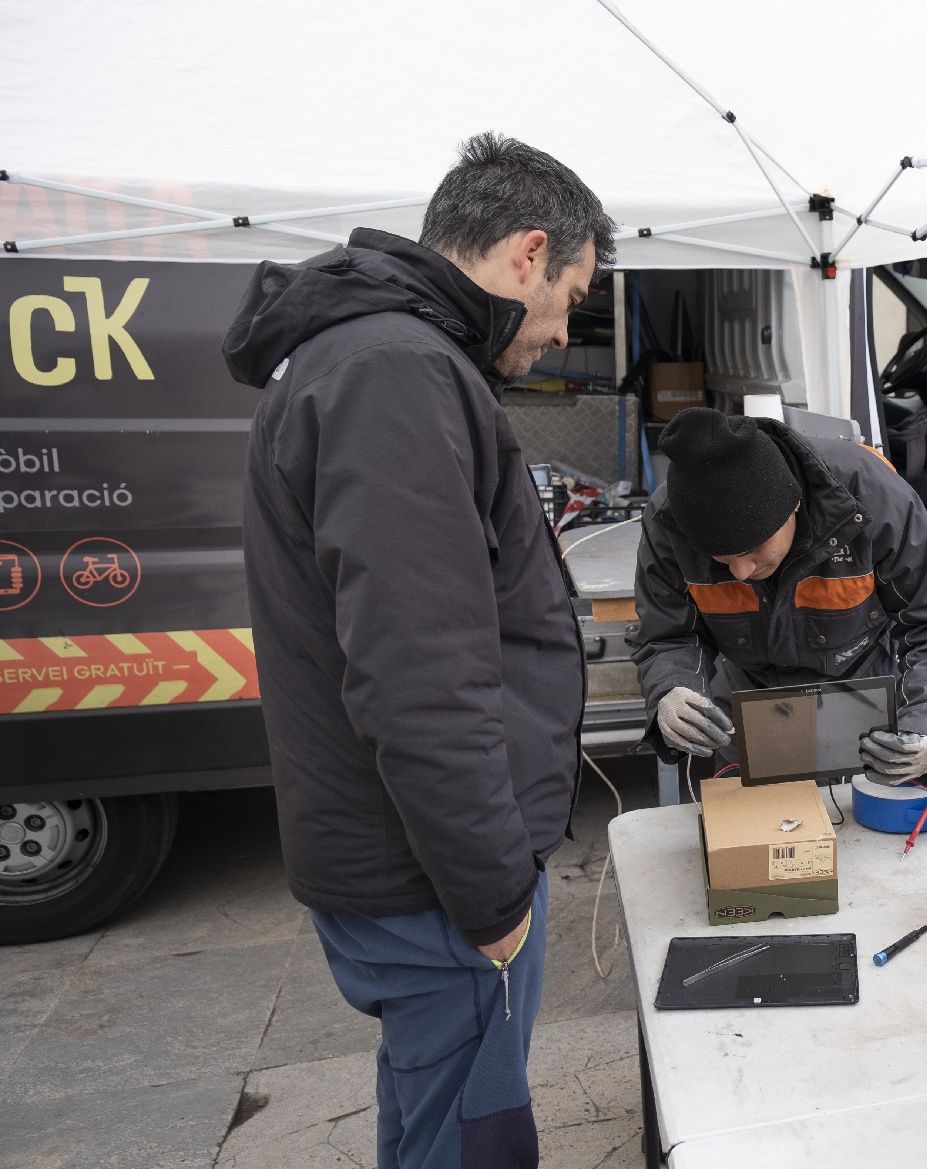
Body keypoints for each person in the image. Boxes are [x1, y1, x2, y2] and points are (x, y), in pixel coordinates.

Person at [224, 132, 615, 1168]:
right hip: (434, 876)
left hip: (414, 859)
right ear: (527, 253)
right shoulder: (396, 371)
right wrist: (491, 892)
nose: (564, 329)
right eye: (572, 294)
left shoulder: (381, 355)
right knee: (469, 1135)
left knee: (434, 1103)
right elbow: (419, 672)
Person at [631, 407, 927, 784]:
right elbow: (668, 633)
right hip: (745, 702)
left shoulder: (872, 496)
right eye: (722, 559)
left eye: (753, 551)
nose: (741, 572)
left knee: (865, 834)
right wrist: (671, 689)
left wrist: (926, 724)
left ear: (793, 503)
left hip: (862, 694)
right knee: (760, 832)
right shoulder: (670, 519)